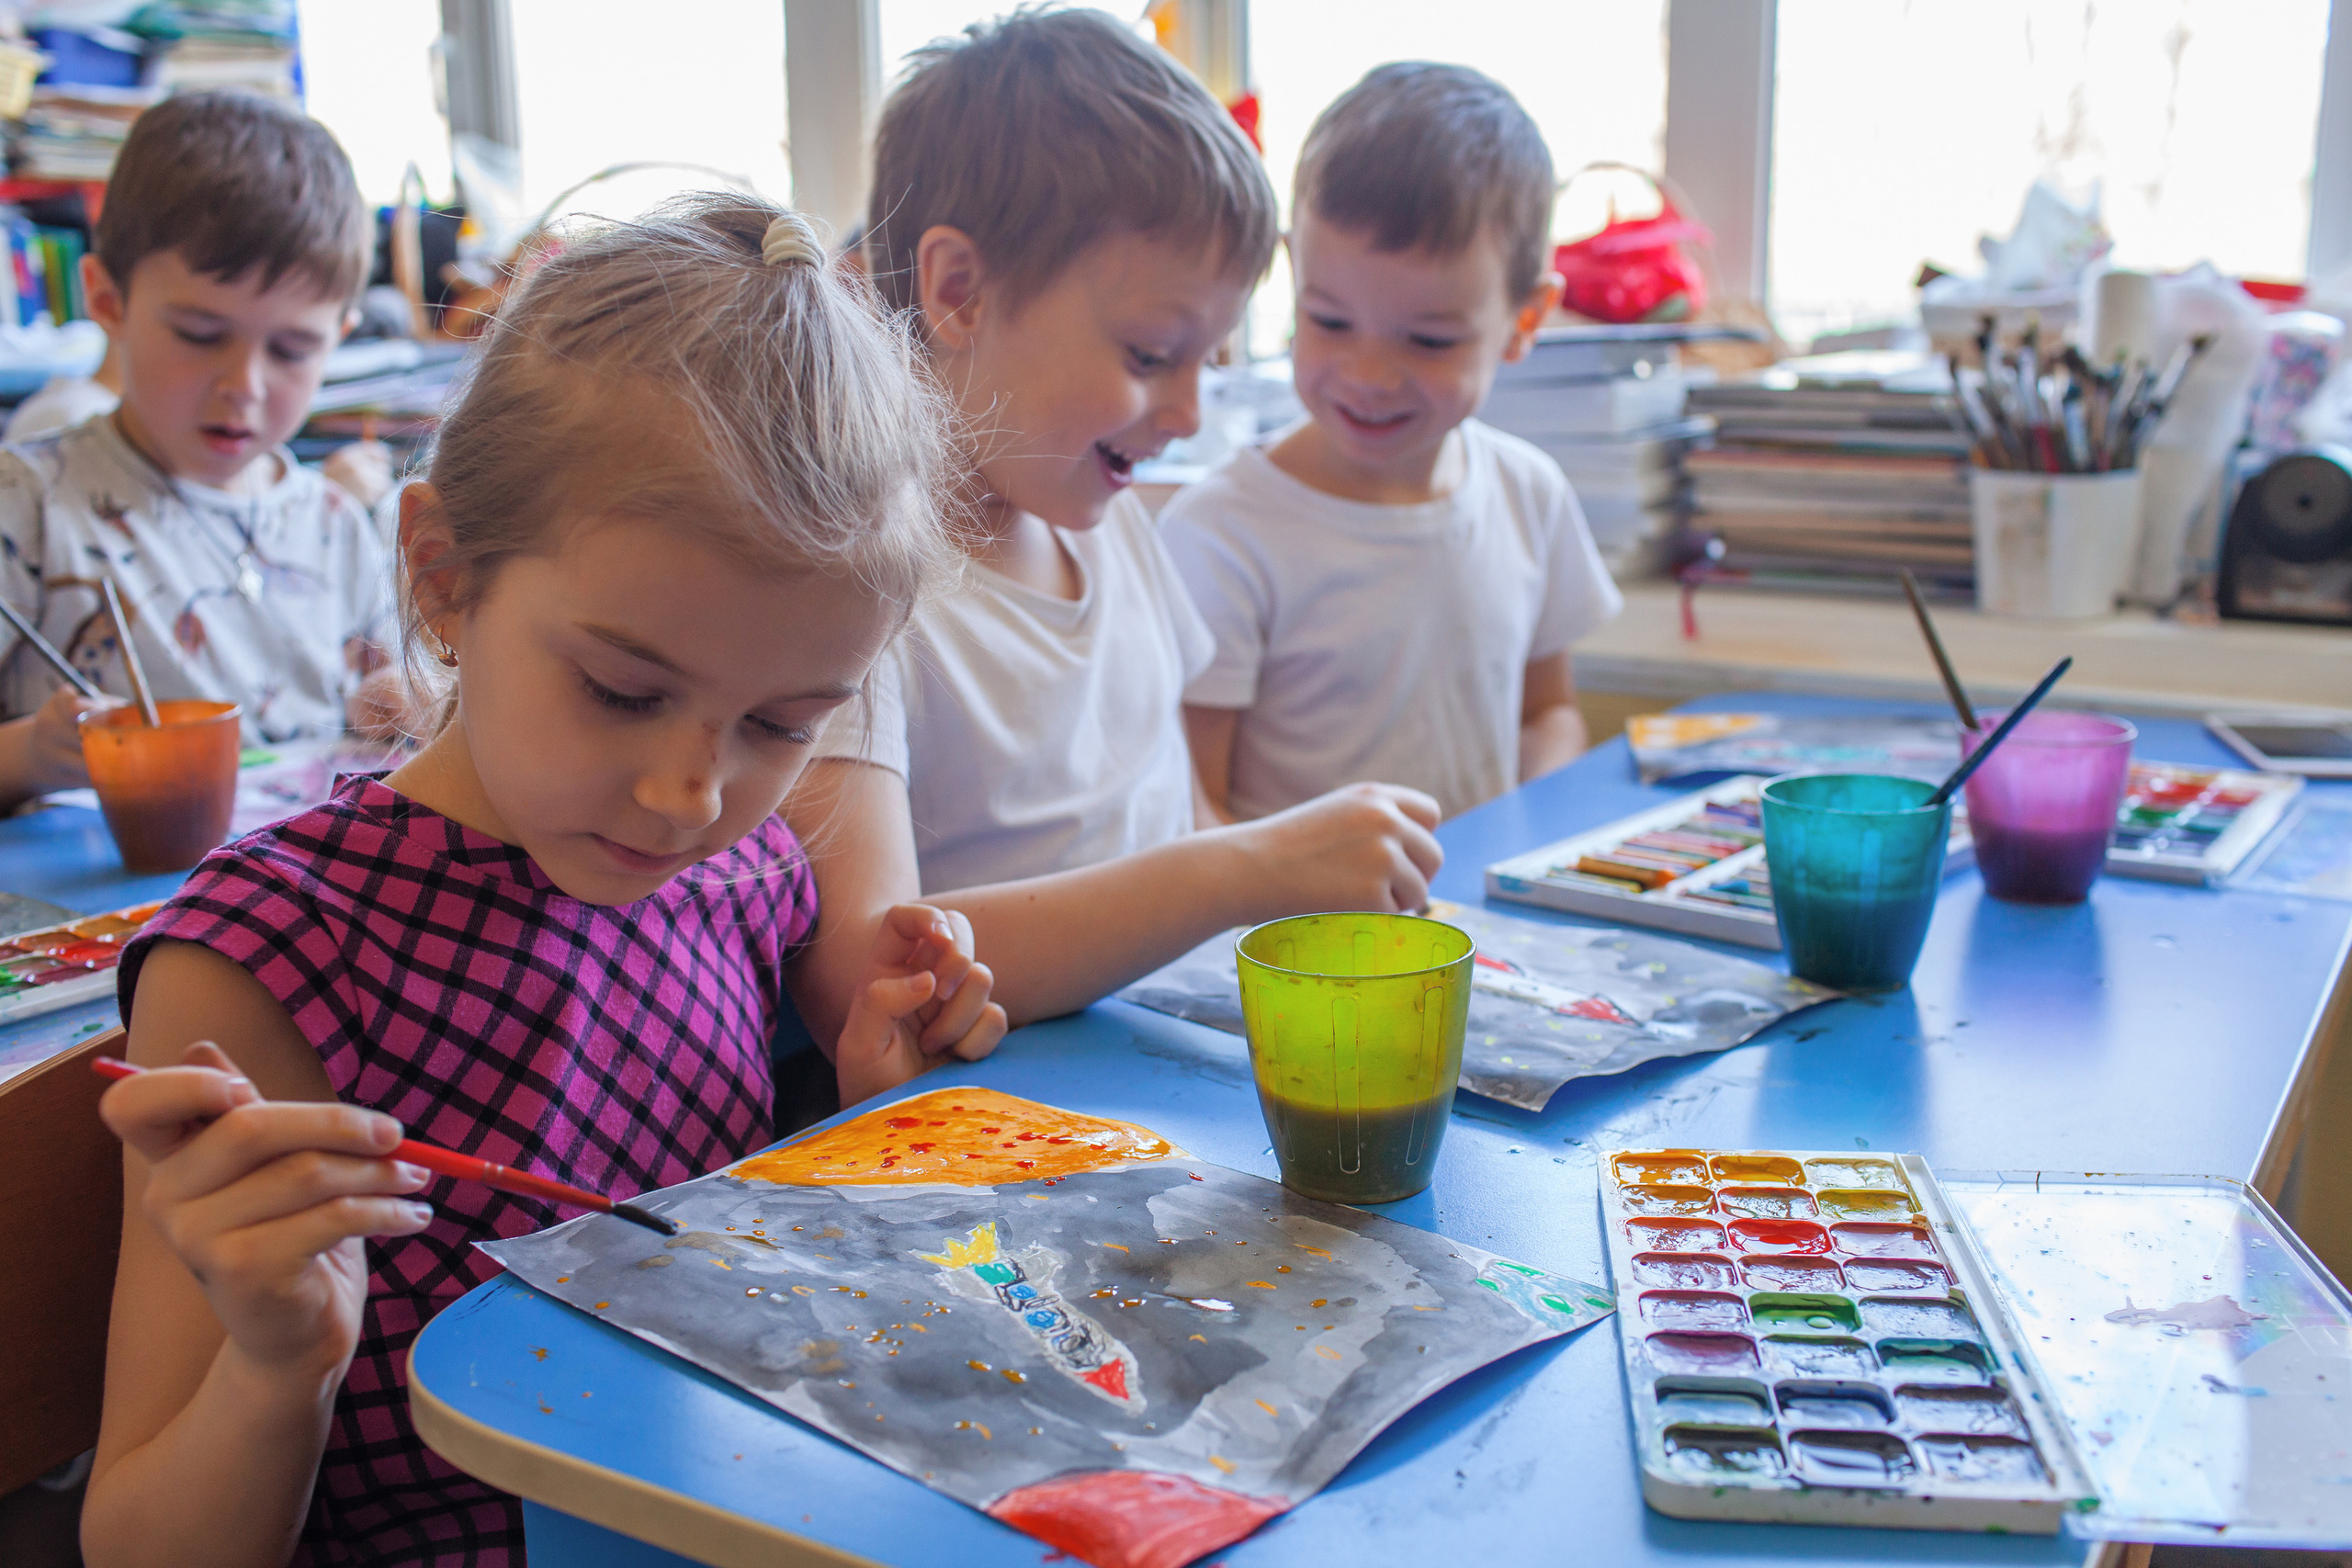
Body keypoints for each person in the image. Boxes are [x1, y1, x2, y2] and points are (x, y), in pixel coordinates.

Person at [82, 195, 1006, 1568]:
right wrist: (280, 1363)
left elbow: (742, 1316)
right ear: (443, 578)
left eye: (783, 723)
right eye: (625, 689)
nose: (691, 794)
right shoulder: (267, 958)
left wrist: (872, 1116)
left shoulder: (743, 869)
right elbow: (138, 1545)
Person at [788, 7, 1444, 1055]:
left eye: (1209, 361)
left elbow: (1169, 831)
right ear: (959, 291)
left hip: (1155, 1084)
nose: (1186, 412)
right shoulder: (848, 596)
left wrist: (1290, 888)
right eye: (1149, 354)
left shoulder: (1113, 531)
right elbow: (861, 980)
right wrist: (1247, 869)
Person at [1163, 63, 1623, 824]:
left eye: (1429, 339)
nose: (1370, 375)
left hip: (1475, 932)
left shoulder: (1529, 492)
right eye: (1331, 323)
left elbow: (1549, 712)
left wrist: (1517, 823)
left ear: (1526, 321)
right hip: (1293, 938)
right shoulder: (1222, 534)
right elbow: (1192, 804)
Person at [0, 93, 391, 810]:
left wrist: (398, 703)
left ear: (340, 333)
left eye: (293, 349)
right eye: (199, 335)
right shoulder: (26, 502)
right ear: (108, 300)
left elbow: (385, 701)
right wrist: (29, 754)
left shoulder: (335, 521)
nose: (243, 385)